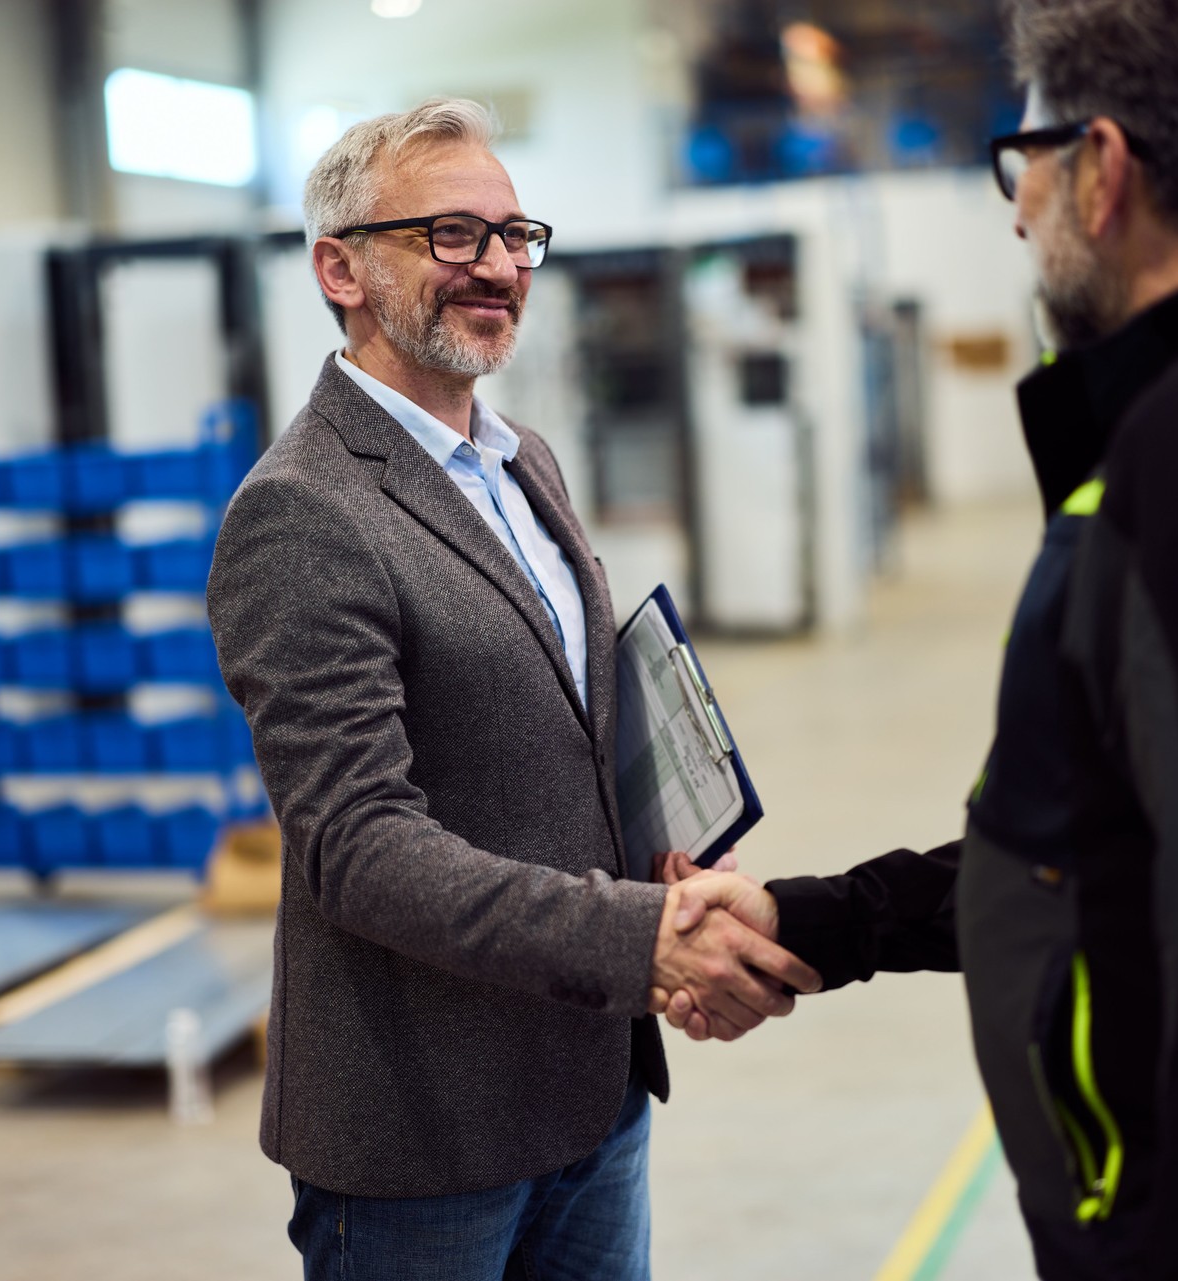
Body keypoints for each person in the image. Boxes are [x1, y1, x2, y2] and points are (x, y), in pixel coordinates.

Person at [663, 2, 1178, 1277]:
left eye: (1027, 158)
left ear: (1101, 171)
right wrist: (825, 921)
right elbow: (1106, 844)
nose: (1013, 208)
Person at [207, 98, 819, 1281]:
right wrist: (642, 935)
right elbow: (360, 846)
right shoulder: (302, 513)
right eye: (449, 235)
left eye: (512, 236)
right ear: (340, 268)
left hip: (589, 1080)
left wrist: (661, 851)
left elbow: (561, 722)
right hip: (426, 1133)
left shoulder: (520, 456)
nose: (495, 266)